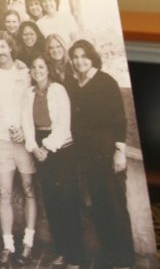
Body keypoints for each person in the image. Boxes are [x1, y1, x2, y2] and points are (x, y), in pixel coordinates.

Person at [67, 39, 136, 269]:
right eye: (75, 57)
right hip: (88, 159)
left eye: (83, 56)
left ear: (92, 56)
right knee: (99, 209)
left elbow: (119, 119)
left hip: (108, 155)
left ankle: (125, 262)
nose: (79, 61)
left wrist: (119, 152)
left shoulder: (106, 82)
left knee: (115, 208)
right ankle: (111, 257)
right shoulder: (77, 85)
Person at [21, 56, 83, 267]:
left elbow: (64, 125)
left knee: (68, 201)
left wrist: (46, 147)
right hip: (40, 149)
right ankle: (63, 252)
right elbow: (26, 123)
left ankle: (76, 257)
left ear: (48, 70)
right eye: (34, 67)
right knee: (53, 202)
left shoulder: (58, 90)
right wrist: (33, 147)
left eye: (41, 67)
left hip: (61, 150)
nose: (37, 70)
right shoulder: (29, 93)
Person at [0, 34, 37, 264]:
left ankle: (28, 242)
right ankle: (8, 245)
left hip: (24, 142)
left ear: (10, 47)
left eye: (3, 45)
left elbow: (33, 105)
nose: (0, 50)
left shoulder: (24, 73)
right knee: (4, 194)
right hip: (2, 142)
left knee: (28, 189)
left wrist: (26, 133)